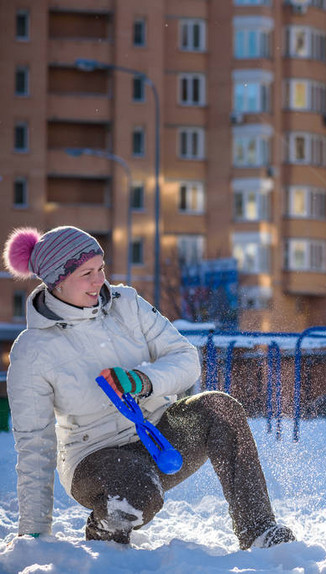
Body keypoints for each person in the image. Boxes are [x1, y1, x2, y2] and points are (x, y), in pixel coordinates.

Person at [3, 226, 294, 549]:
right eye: (87, 273)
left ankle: (259, 531)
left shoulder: (126, 304)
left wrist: (144, 381)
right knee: (135, 492)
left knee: (219, 407)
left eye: (101, 268)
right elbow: (35, 444)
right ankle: (104, 535)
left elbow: (185, 358)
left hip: (157, 434)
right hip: (92, 457)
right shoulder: (33, 350)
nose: (100, 280)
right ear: (57, 281)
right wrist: (34, 529)